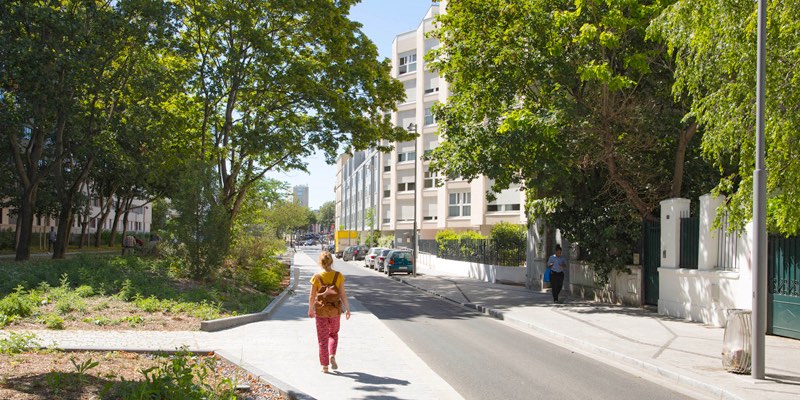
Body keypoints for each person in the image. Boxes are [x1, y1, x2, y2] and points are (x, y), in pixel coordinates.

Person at [308, 251, 351, 373]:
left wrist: (310, 309)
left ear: (320, 263)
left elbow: (312, 296)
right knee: (333, 334)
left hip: (321, 311)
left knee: (322, 339)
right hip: (335, 311)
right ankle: (332, 354)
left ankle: (325, 366)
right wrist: (347, 309)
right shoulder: (339, 276)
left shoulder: (316, 277)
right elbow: (343, 294)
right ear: (331, 262)